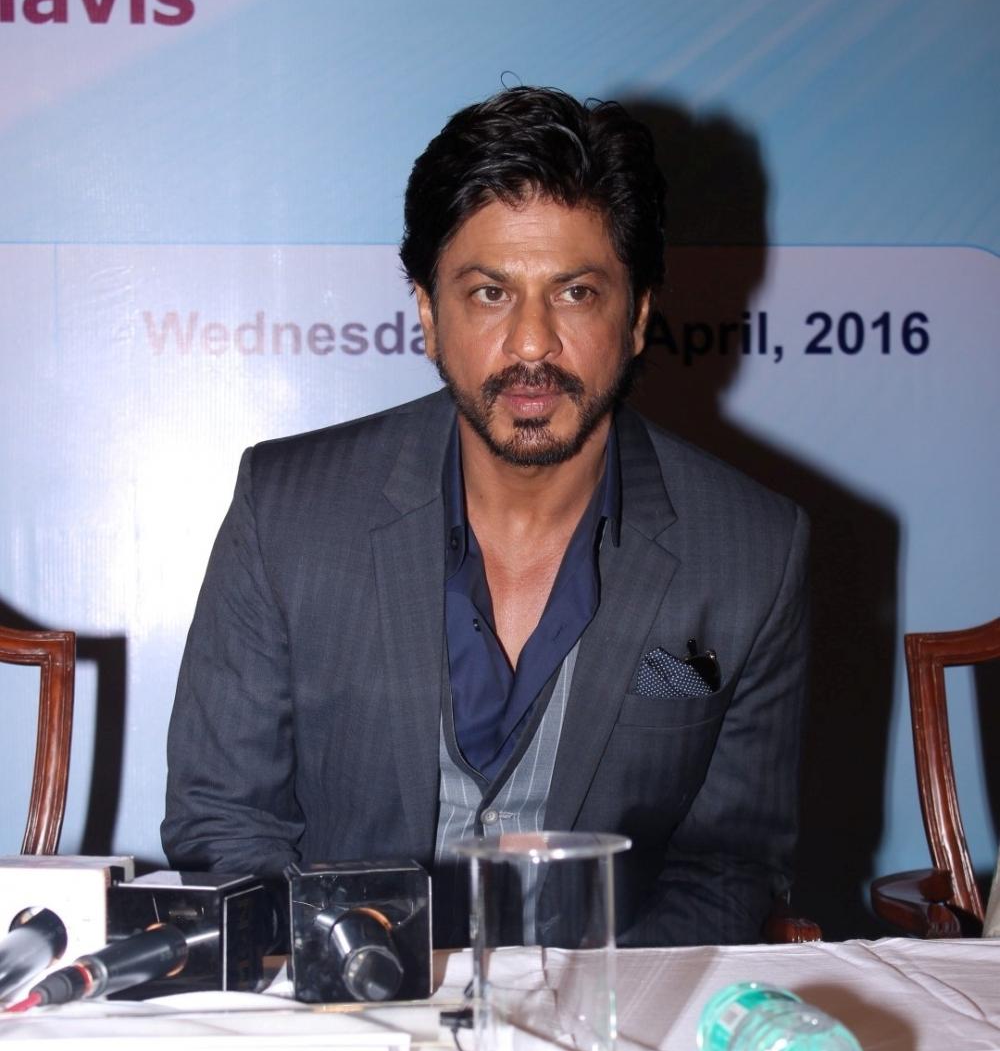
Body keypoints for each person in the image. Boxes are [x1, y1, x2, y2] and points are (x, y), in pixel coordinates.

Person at [162, 85, 809, 947]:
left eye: (576, 293)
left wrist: (595, 1007)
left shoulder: (752, 551)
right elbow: (224, 820)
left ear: (638, 316)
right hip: (348, 1003)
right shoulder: (287, 511)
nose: (532, 343)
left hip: (604, 1010)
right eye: (489, 293)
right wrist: (351, 978)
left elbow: (727, 864)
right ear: (429, 315)